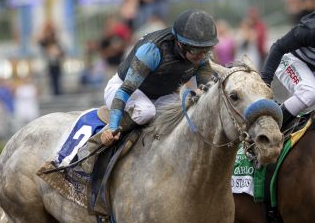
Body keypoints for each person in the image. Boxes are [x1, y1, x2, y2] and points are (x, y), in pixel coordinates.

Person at [78, 9, 218, 167]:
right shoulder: (152, 50)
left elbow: (206, 87)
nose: (201, 56)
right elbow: (125, 91)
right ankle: (93, 145)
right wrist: (113, 126)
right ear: (180, 43)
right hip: (123, 89)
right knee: (146, 111)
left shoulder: (201, 55)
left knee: (183, 114)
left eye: (205, 50)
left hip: (160, 96)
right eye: (195, 50)